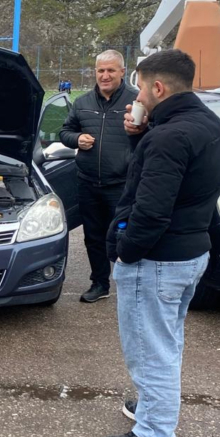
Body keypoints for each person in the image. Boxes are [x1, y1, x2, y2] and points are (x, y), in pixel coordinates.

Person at [106, 49, 220, 437]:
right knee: (165, 342)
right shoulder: (207, 123)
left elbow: (151, 211)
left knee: (149, 353)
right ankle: (154, 406)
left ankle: (153, 429)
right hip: (191, 255)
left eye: (139, 90)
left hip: (157, 261)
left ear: (158, 87)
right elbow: (180, 186)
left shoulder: (168, 137)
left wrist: (126, 252)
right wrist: (140, 137)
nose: (136, 99)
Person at [59, 50, 138, 303]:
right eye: (100, 70)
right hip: (88, 182)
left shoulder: (136, 101)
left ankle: (131, 285)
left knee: (126, 236)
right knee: (93, 236)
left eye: (111, 70)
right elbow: (64, 132)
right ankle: (100, 283)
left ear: (122, 72)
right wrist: (76, 139)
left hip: (123, 184)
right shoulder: (82, 103)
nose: (105, 75)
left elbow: (153, 134)